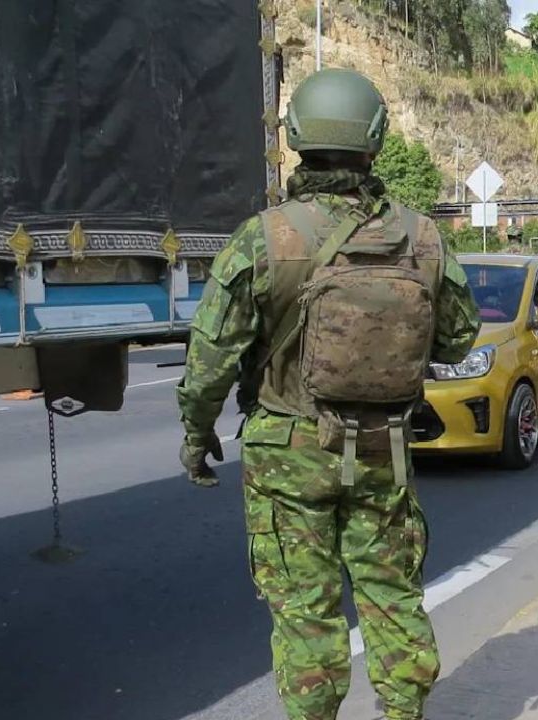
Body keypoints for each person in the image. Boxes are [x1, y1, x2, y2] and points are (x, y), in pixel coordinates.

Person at [175, 68, 480, 720]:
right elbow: (457, 340)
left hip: (287, 449)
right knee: (392, 594)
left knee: (305, 608)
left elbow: (209, 360)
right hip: (383, 449)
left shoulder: (266, 237)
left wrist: (197, 434)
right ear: (375, 138)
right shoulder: (423, 237)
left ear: (293, 138)